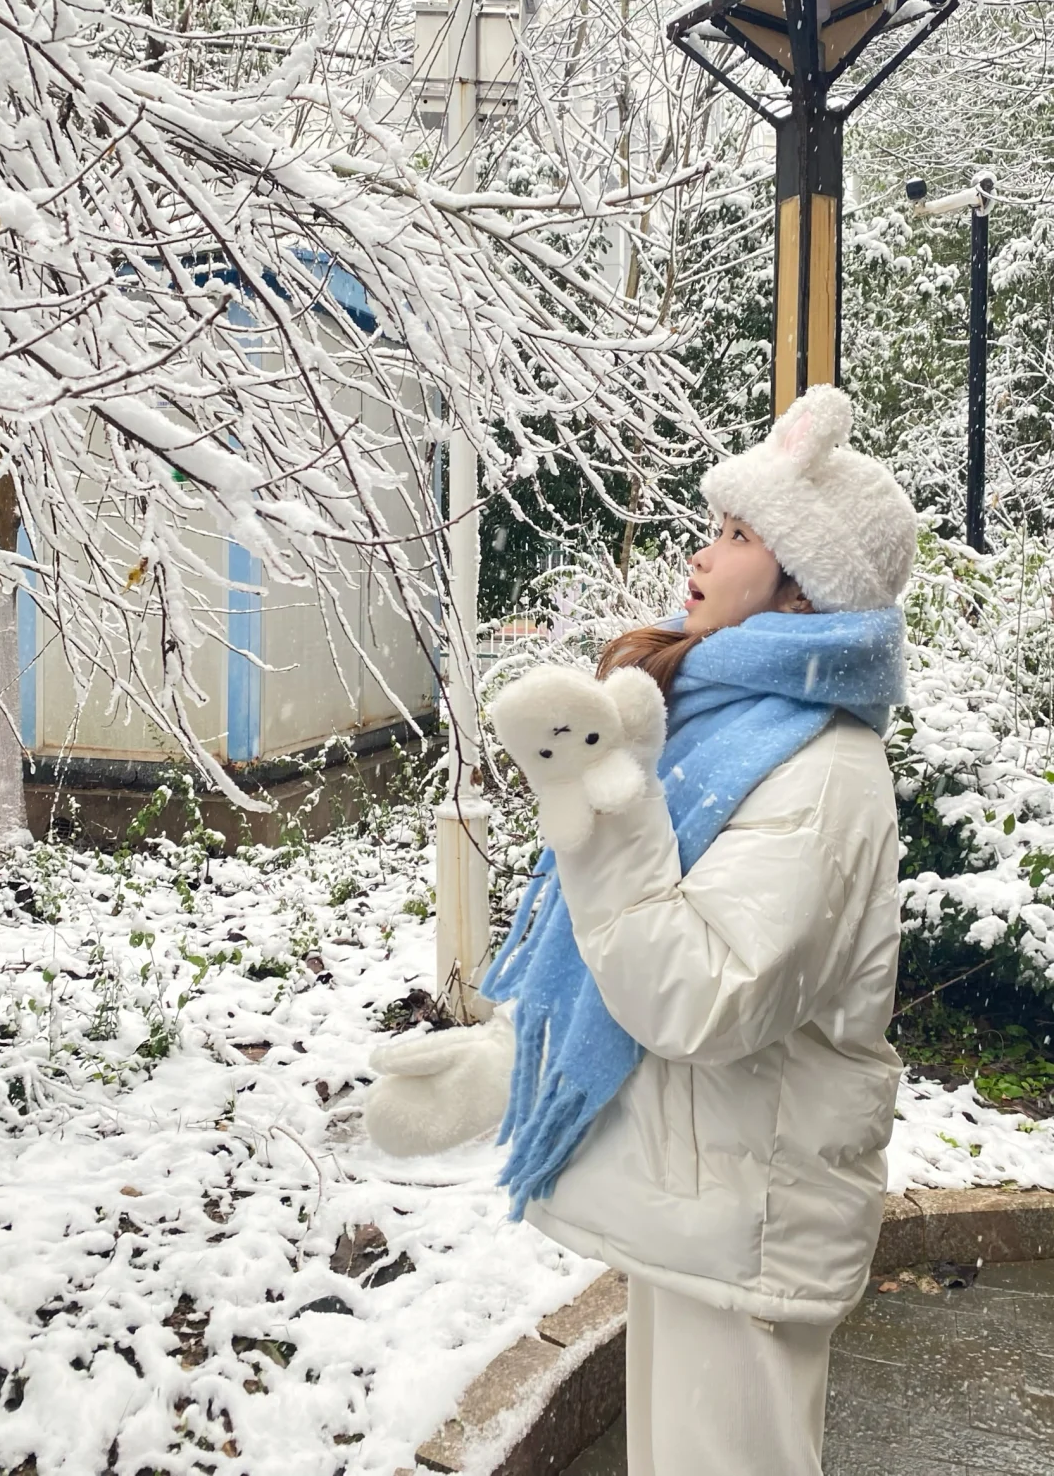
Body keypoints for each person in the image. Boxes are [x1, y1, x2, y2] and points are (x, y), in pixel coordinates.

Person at [367, 384, 916, 1476]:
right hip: (702, 1206)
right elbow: (642, 953)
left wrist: (599, 811)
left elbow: (700, 995)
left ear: (806, 589)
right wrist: (511, 1056)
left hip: (749, 1216)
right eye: (715, 526)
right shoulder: (736, 723)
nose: (704, 552)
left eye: (741, 533)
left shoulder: (822, 775)